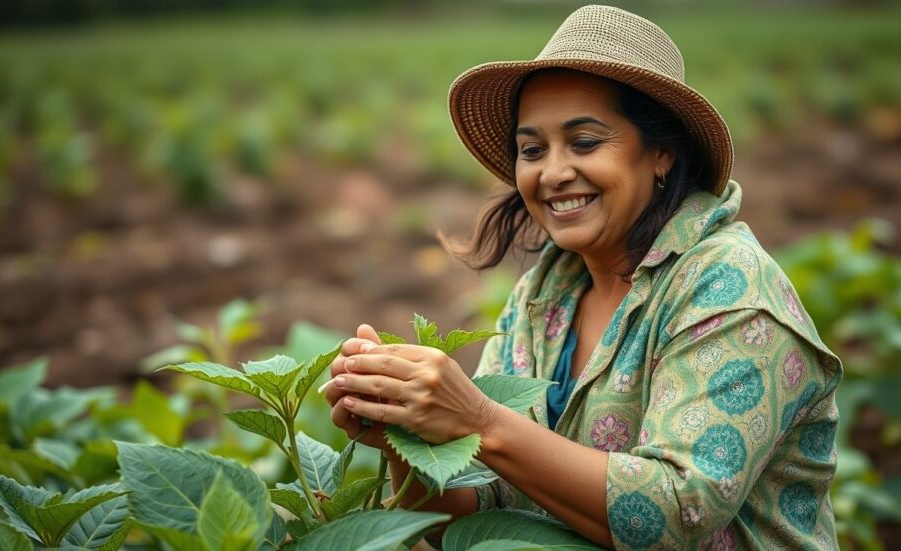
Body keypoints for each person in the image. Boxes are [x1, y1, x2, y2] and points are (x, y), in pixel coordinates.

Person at [320, 5, 842, 550]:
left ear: (661, 153)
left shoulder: (728, 287)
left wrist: (478, 420)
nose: (553, 172)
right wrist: (407, 436)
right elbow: (484, 506)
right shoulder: (544, 295)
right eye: (532, 150)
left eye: (585, 142)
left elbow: (678, 513)